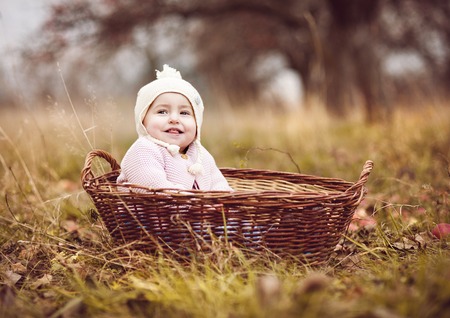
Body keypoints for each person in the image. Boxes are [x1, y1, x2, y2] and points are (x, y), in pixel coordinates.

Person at [117, 64, 233, 191]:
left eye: (184, 113)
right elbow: (156, 189)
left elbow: (219, 184)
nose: (174, 119)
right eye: (162, 112)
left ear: (197, 123)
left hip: (198, 209)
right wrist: (198, 204)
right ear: (143, 120)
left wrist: (223, 203)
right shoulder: (143, 150)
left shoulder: (201, 155)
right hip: (149, 210)